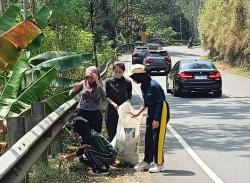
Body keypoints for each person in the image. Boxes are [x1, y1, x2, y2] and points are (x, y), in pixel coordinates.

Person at [129, 64, 170, 173]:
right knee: (148, 138)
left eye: (134, 77)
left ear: (141, 76)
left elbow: (160, 103)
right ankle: (147, 162)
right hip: (152, 111)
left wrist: (157, 119)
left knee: (157, 139)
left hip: (161, 111)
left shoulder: (153, 86)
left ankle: (159, 164)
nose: (133, 79)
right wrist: (138, 113)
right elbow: (146, 103)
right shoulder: (143, 85)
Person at [69, 66, 105, 133]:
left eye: (92, 77)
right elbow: (71, 95)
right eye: (88, 77)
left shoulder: (99, 84)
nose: (90, 79)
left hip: (95, 112)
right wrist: (74, 89)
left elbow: (104, 96)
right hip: (83, 111)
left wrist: (97, 82)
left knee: (95, 133)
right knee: (83, 132)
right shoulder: (83, 83)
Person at [105, 61, 132, 141]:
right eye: (115, 71)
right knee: (111, 133)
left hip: (123, 111)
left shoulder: (127, 82)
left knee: (125, 134)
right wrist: (113, 104)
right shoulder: (108, 82)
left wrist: (124, 105)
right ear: (113, 71)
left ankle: (124, 151)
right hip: (111, 110)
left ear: (123, 71)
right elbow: (106, 96)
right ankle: (113, 151)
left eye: (120, 71)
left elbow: (129, 97)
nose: (117, 73)